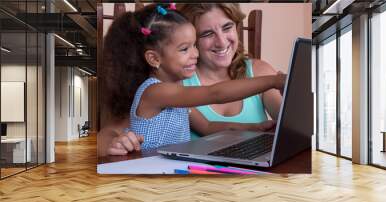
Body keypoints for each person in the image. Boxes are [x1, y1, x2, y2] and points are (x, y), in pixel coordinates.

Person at [98, 3, 284, 155]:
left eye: (194, 45)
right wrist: (274, 81)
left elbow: (209, 127)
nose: (195, 54)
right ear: (154, 59)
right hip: (153, 175)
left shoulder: (178, 95)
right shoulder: (156, 92)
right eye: (184, 49)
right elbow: (215, 93)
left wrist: (255, 128)